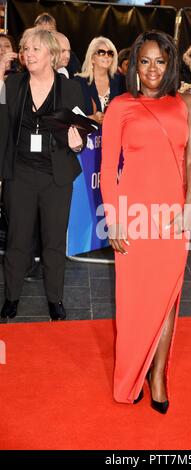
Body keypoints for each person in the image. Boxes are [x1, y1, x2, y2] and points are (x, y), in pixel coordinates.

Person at [100, 30, 191, 413]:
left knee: (166, 300)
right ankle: (132, 370)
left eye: (161, 61)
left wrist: (189, 207)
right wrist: (114, 219)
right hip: (134, 217)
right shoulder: (120, 107)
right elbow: (108, 168)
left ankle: (158, 374)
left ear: (171, 64)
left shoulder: (187, 103)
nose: (153, 69)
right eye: (145, 61)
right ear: (134, 66)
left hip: (173, 216)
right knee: (133, 302)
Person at [0, 28, 86, 321]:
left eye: (36, 49)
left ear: (51, 54)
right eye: (26, 49)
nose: (29, 54)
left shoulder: (71, 89)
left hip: (56, 177)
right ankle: (11, 298)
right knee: (17, 241)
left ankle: (55, 300)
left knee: (53, 242)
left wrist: (79, 143)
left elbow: (80, 131)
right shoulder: (13, 85)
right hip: (19, 175)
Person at [75, 36, 126, 125]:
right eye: (101, 52)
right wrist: (89, 118)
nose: (106, 56)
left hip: (114, 133)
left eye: (110, 53)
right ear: (92, 58)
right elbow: (70, 116)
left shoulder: (121, 80)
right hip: (87, 135)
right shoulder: (78, 82)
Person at [33, 12, 81, 78]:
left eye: (49, 32)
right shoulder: (31, 55)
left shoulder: (70, 57)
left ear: (56, 32)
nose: (46, 36)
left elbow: (77, 81)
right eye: (42, 32)